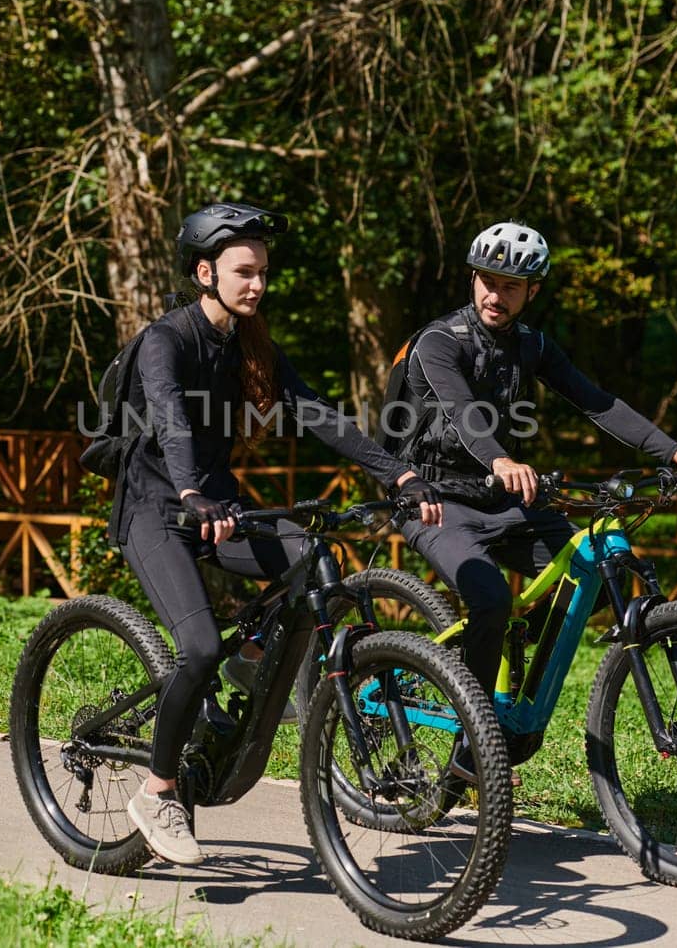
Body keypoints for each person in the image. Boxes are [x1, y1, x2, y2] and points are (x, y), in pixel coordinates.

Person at [115, 202, 442, 866]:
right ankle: (158, 791)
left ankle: (255, 655)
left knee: (303, 554)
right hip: (155, 504)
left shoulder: (252, 343)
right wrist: (190, 493)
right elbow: (172, 420)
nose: (258, 284)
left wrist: (398, 473)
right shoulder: (166, 340)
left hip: (215, 501)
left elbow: (319, 413)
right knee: (199, 646)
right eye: (244, 271)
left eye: (263, 271)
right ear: (204, 272)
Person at [389, 221, 677, 737]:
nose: (496, 295)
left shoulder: (532, 345)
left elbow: (597, 401)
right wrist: (500, 459)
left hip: (503, 499)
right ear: (473, 279)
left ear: (531, 291)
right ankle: (476, 739)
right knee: (491, 598)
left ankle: (507, 643)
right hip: (433, 500)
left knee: (599, 575)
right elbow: (461, 412)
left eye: (511, 286)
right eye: (488, 282)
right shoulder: (437, 342)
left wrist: (674, 451)